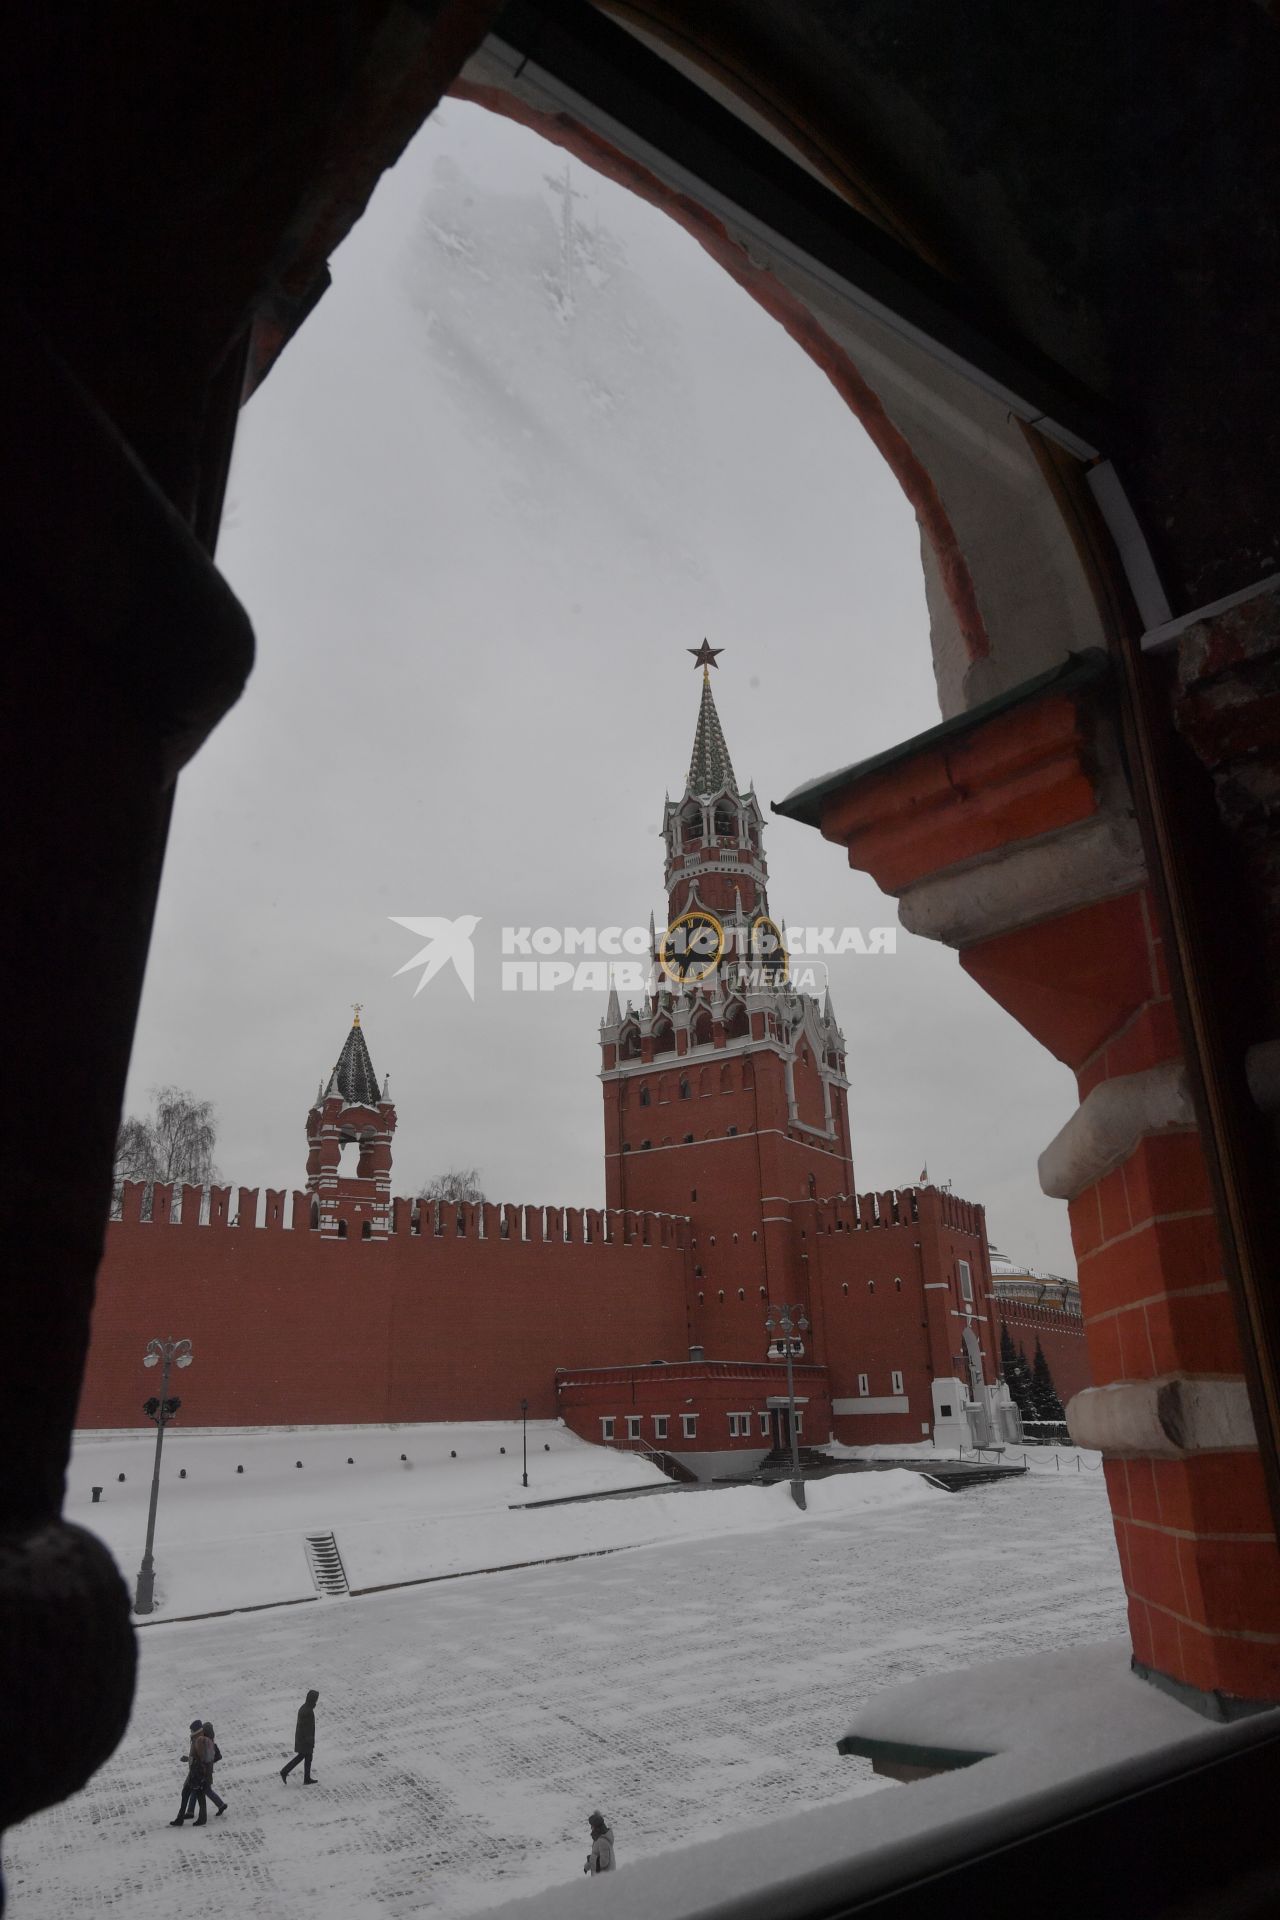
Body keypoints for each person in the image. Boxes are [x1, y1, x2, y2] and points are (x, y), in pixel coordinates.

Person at [169, 1719, 206, 1826]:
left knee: (197, 1794)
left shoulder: (199, 1740)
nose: (190, 1731)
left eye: (191, 1730)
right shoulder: (196, 1739)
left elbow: (200, 1758)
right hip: (194, 1772)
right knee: (190, 1793)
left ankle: (199, 1818)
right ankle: (182, 1818)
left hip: (197, 1772)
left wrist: (187, 1759)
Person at [280, 1688, 320, 1784]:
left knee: (306, 1758)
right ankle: (285, 1771)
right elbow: (307, 1729)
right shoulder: (308, 1711)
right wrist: (310, 1741)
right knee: (305, 1757)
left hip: (302, 1739)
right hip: (305, 1740)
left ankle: (306, 1778)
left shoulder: (305, 1708)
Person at [202, 1721, 228, 1817]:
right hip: (208, 1770)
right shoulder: (212, 1744)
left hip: (206, 1771)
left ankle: (221, 1804)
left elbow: (218, 1756)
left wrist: (209, 1761)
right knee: (205, 1790)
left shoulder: (207, 1745)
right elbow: (219, 1756)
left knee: (206, 1790)